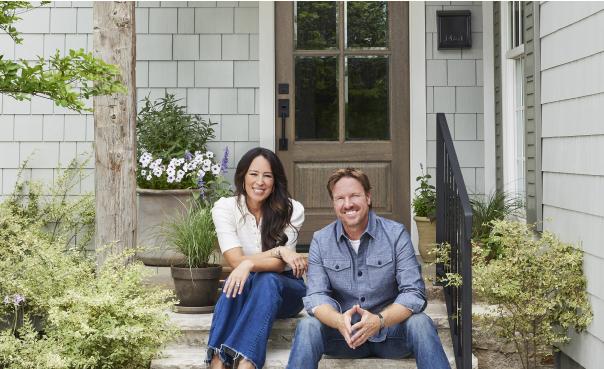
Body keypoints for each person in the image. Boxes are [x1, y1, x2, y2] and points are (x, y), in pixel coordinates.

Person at [286, 168, 451, 369]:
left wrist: (379, 321)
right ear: (334, 203)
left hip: (391, 333)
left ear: (368, 197)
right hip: (345, 337)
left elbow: (413, 293)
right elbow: (317, 296)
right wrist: (338, 321)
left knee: (421, 323)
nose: (348, 204)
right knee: (307, 326)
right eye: (340, 198)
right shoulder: (321, 240)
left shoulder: (395, 234)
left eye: (354, 195)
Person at [207, 147, 307, 369]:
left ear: (275, 181)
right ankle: (220, 361)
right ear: (242, 176)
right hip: (244, 288)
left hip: (287, 291)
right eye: (254, 174)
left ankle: (242, 362)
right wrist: (277, 250)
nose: (260, 181)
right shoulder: (225, 208)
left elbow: (280, 266)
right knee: (237, 281)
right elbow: (234, 260)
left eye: (268, 176)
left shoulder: (292, 209)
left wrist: (250, 263)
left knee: (266, 279)